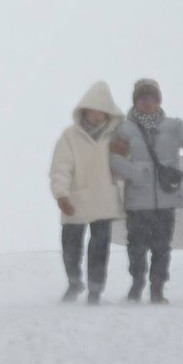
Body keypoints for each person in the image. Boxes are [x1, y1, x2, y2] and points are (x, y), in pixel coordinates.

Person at [107, 78, 183, 304]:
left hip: (166, 198)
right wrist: (136, 173)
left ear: (159, 100)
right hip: (137, 201)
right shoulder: (124, 130)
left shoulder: (173, 127)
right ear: (135, 101)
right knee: (136, 246)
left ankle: (157, 288)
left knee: (162, 247)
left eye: (151, 97)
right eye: (142, 97)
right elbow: (113, 159)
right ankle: (137, 283)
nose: (147, 101)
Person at [48, 80, 124, 304]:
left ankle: (95, 289)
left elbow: (124, 169)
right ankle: (74, 282)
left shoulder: (116, 137)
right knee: (71, 246)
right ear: (85, 110)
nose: (97, 115)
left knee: (99, 248)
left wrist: (124, 155)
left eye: (102, 111)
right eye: (93, 110)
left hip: (103, 200)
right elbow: (61, 167)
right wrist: (61, 194)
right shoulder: (69, 136)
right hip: (75, 200)